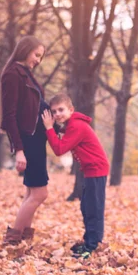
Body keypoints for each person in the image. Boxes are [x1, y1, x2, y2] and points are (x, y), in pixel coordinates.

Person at [41, 93, 109, 259]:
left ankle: (93, 246)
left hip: (97, 170)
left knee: (94, 209)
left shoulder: (77, 125)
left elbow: (59, 149)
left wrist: (49, 128)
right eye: (54, 111)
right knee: (86, 207)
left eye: (61, 110)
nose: (57, 114)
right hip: (90, 170)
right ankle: (89, 241)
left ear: (71, 110)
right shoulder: (71, 124)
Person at [0, 36, 50, 245]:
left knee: (31, 192)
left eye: (41, 56)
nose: (38, 60)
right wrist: (19, 150)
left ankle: (24, 239)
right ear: (25, 50)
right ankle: (12, 240)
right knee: (40, 194)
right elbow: (9, 116)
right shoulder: (13, 74)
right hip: (28, 141)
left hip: (36, 139)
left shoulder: (26, 74)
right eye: (36, 54)